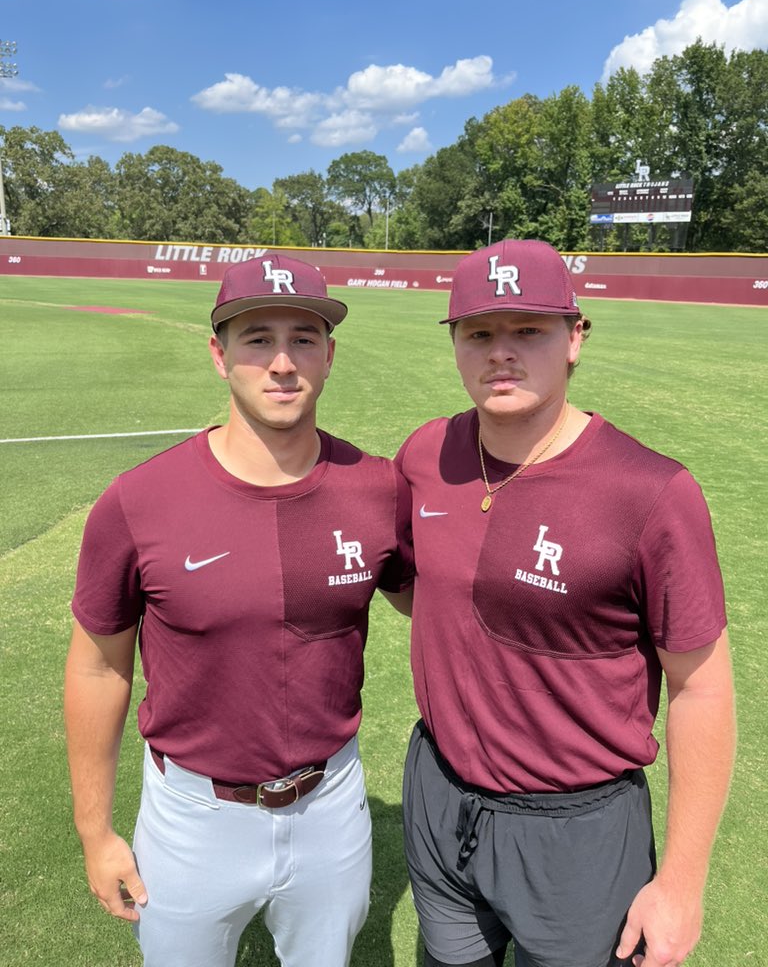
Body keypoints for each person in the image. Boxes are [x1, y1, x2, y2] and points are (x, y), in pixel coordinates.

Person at [64, 253, 414, 967]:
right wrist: (95, 832)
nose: (282, 363)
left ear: (329, 356)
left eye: (303, 339)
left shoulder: (378, 489)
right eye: (258, 339)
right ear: (219, 355)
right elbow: (98, 670)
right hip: (193, 818)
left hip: (331, 807)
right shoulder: (138, 500)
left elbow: (439, 608)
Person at [395, 239, 735, 967]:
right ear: (454, 343)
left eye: (529, 330)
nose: (501, 352)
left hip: (577, 826)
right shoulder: (426, 453)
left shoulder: (651, 491)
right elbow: (420, 585)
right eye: (479, 333)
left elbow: (702, 688)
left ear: (575, 337)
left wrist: (681, 883)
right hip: (440, 792)